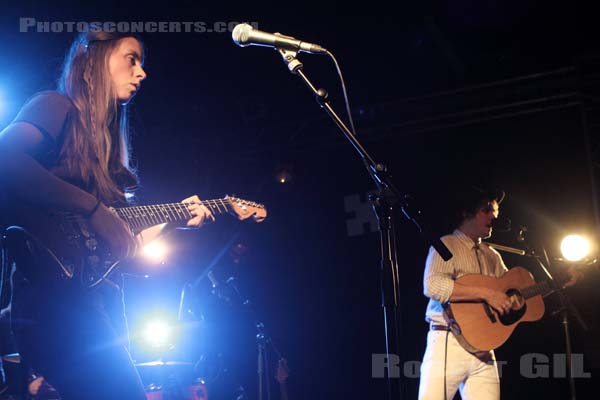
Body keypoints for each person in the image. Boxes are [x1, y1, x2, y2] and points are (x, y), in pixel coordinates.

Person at [0, 31, 214, 399]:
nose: (141, 72)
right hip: (53, 306)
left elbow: (119, 249)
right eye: (131, 58)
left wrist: (173, 221)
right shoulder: (55, 105)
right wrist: (92, 207)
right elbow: (6, 158)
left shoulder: (106, 152)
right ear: (90, 60)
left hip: (96, 309)